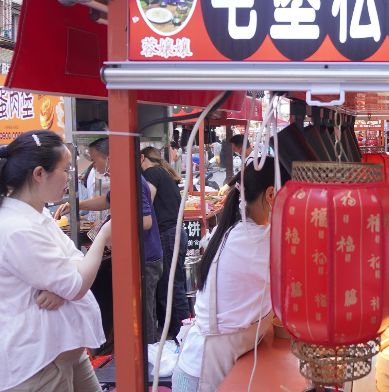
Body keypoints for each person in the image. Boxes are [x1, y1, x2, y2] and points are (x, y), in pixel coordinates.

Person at [0, 130, 110, 391]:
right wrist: (103, 235)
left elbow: (74, 258)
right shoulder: (16, 228)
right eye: (66, 169)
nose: (70, 177)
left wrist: (61, 286)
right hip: (37, 364)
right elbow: (76, 284)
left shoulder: (36, 216)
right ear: (39, 173)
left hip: (62, 350)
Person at [172, 158, 286, 391]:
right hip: (202, 372)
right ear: (271, 194)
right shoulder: (254, 240)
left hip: (206, 361)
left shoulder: (239, 229)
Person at [56, 137, 163, 344]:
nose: (94, 166)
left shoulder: (132, 180)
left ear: (110, 159)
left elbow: (146, 221)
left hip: (145, 257)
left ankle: (147, 354)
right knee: (142, 311)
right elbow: (107, 201)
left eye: (95, 161)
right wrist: (75, 206)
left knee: (143, 314)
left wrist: (109, 227)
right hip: (140, 256)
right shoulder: (122, 178)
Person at [141, 146, 191, 340]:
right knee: (172, 286)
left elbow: (147, 202)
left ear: (142, 158)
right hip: (175, 234)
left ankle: (183, 335)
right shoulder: (164, 172)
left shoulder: (151, 173)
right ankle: (180, 333)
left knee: (172, 287)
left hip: (168, 235)